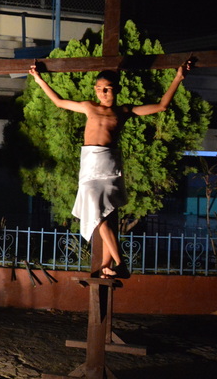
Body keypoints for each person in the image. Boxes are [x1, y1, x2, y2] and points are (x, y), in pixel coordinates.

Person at [28, 61, 189, 278]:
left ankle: (115, 264)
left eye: (107, 89)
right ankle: (111, 265)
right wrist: (39, 79)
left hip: (109, 165)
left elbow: (161, 106)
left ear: (117, 89)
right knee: (99, 213)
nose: (102, 93)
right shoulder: (89, 107)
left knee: (106, 214)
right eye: (98, 89)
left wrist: (178, 77)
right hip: (89, 165)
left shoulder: (123, 111)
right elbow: (59, 102)